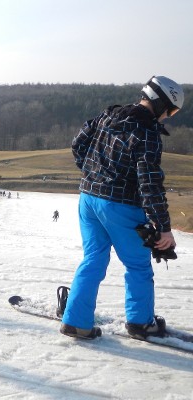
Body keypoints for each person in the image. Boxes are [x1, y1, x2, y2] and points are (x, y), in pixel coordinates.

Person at [60, 76, 183, 340]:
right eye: (171, 111)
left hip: (89, 199)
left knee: (93, 259)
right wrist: (163, 229)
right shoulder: (147, 133)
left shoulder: (108, 115)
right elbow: (150, 185)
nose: (168, 117)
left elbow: (77, 144)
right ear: (162, 104)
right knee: (138, 266)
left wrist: (95, 175)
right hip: (121, 207)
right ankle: (140, 323)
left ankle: (75, 321)